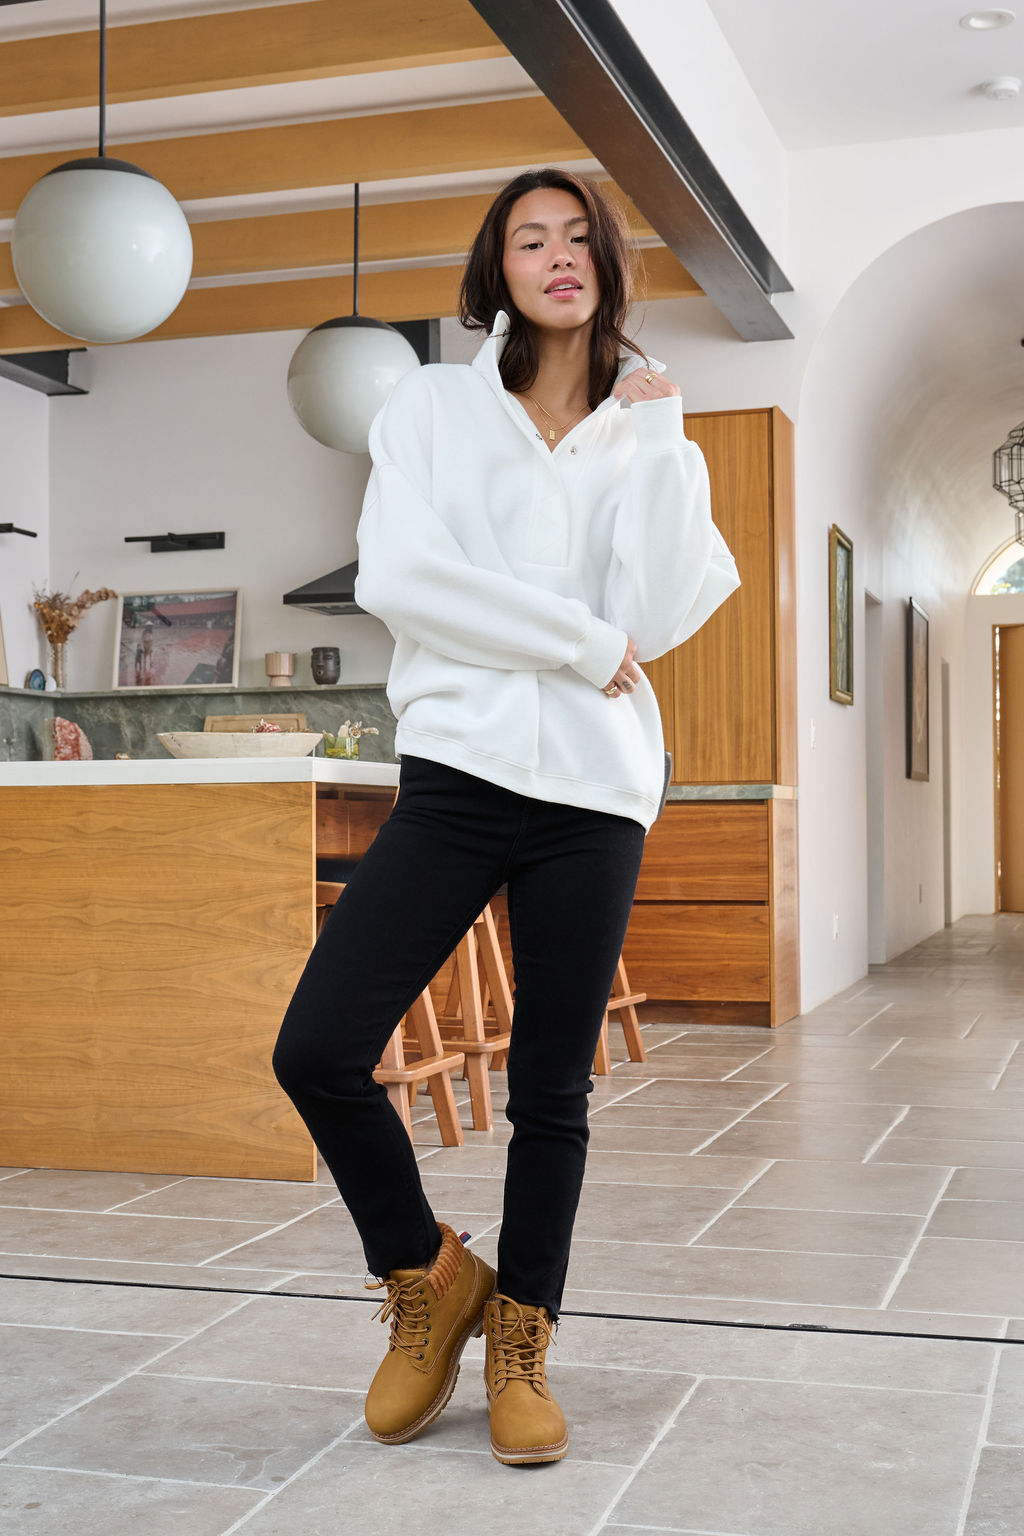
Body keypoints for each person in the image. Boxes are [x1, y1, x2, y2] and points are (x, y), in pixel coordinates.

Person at [273, 167, 740, 1466]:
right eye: (531, 236)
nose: (558, 254)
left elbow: (662, 600)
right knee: (317, 1047)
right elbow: (408, 581)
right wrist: (582, 642)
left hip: (593, 793)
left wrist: (656, 437)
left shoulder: (654, 426)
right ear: (500, 265)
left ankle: (525, 1336)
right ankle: (428, 1280)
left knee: (551, 1092)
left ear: (607, 266)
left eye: (580, 235)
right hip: (462, 775)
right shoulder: (432, 408)